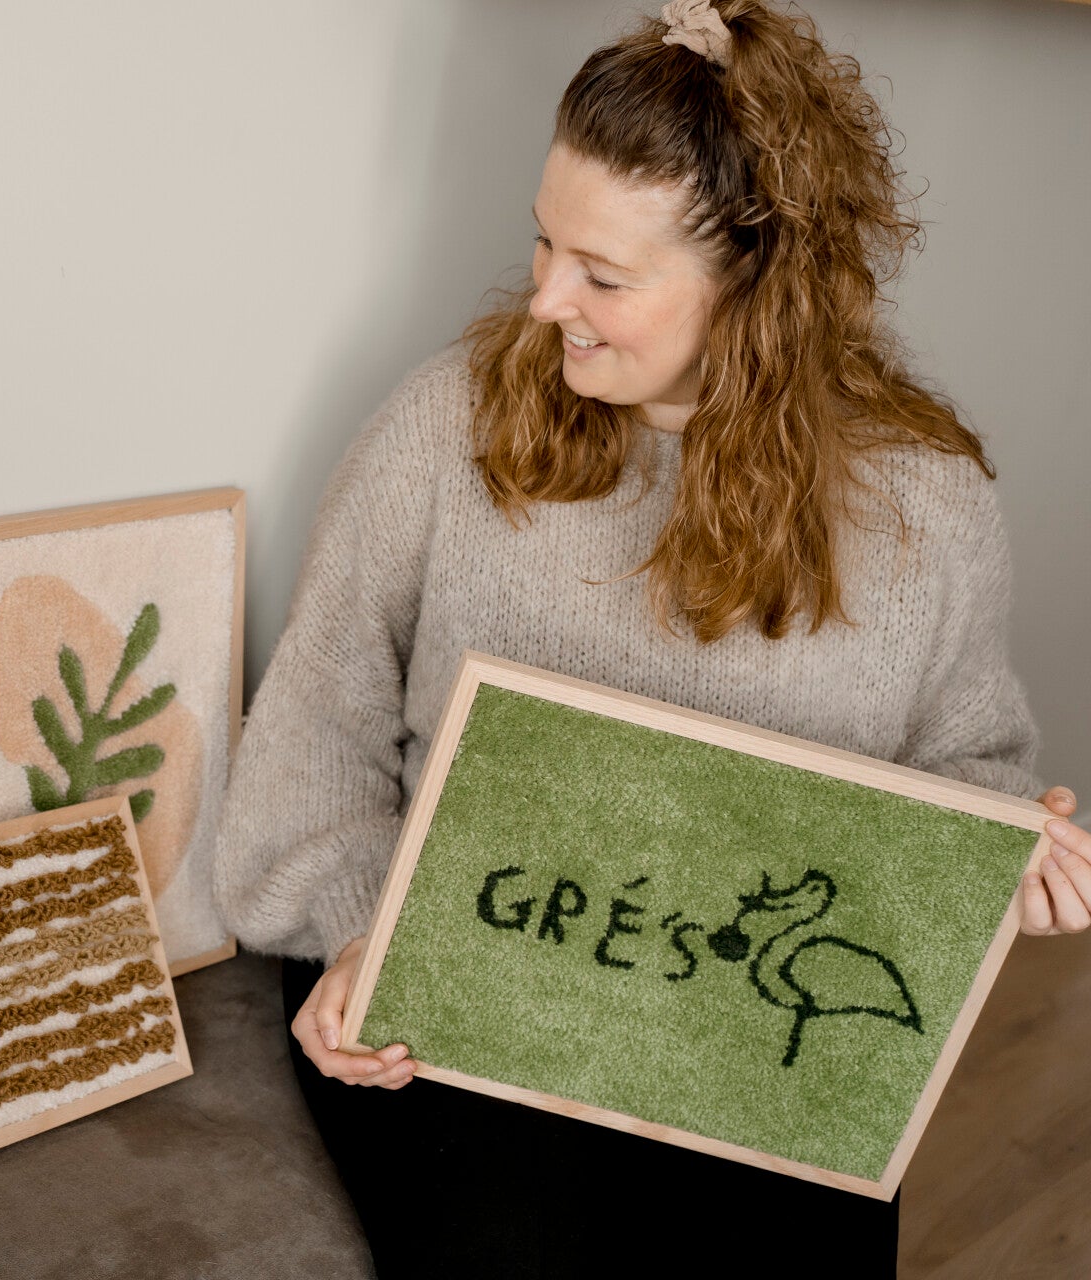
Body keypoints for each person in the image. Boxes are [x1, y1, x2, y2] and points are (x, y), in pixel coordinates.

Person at [211, 2, 1091, 1276]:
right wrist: (366, 939)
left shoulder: (927, 507)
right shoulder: (442, 428)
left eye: (604, 277)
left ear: (760, 288)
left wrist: (1007, 860)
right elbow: (315, 739)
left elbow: (967, 765)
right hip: (466, 983)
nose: (545, 298)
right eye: (545, 243)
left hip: (737, 1022)